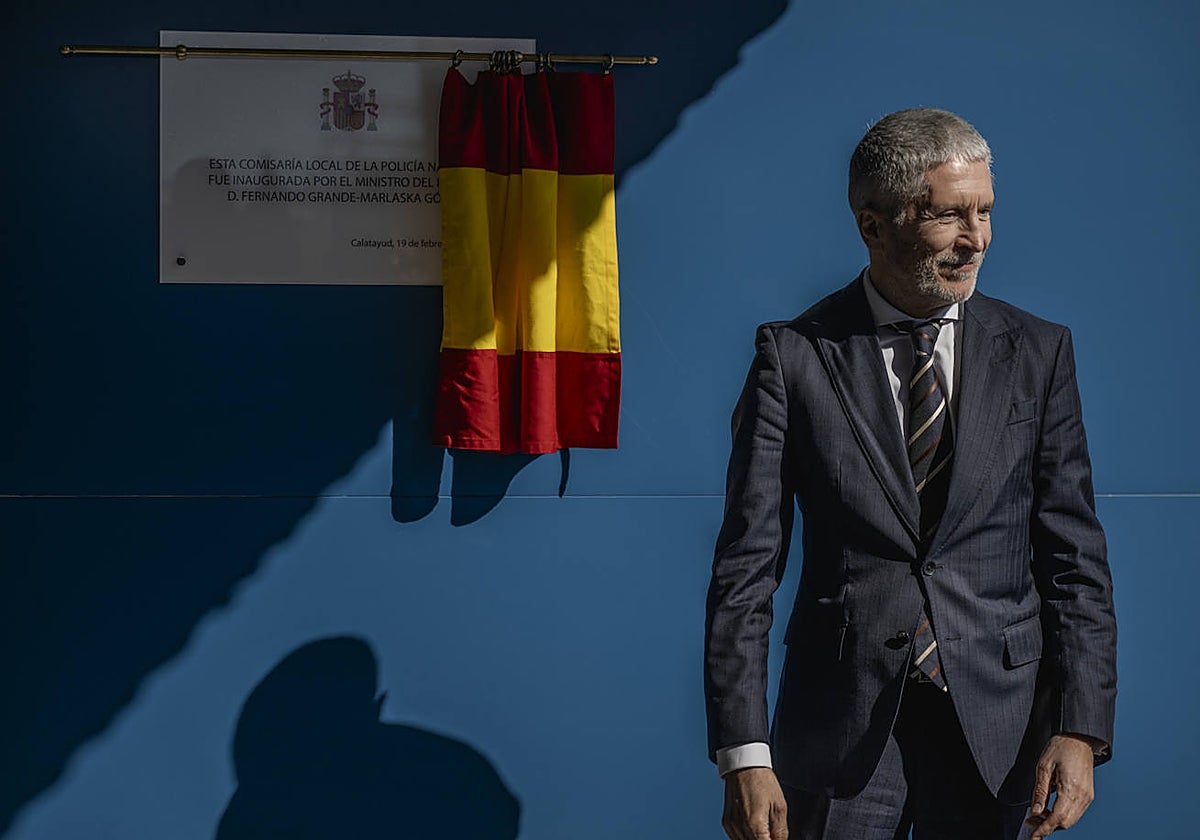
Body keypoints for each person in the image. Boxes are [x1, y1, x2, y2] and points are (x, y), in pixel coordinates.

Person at [703, 108, 1116, 840]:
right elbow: (746, 568)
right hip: (840, 734)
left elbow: (1072, 558)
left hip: (1001, 732)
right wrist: (744, 754)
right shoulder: (793, 357)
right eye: (949, 216)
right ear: (874, 225)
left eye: (985, 212)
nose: (976, 238)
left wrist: (1080, 727)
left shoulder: (1040, 352)